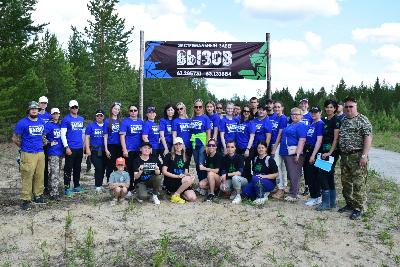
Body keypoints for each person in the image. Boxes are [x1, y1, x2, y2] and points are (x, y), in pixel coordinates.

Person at [338, 97, 372, 220]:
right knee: (346, 182)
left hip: (357, 156)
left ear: (356, 106)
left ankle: (360, 208)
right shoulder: (344, 120)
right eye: (346, 106)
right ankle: (350, 204)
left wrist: (364, 155)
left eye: (351, 106)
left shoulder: (362, 120)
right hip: (345, 157)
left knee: (359, 183)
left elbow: (368, 138)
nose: (348, 109)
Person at [12, 101, 46, 210]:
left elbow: (43, 136)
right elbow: (14, 138)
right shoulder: (22, 123)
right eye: (32, 109)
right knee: (27, 175)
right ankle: (26, 199)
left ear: (38, 110)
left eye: (36, 109)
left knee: (39, 175)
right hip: (28, 153)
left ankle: (38, 195)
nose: (34, 110)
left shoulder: (41, 121)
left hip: (40, 152)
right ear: (29, 110)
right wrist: (23, 147)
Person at [315, 99, 340, 211]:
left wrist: (330, 152)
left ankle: (325, 203)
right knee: (329, 175)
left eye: (331, 107)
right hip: (323, 151)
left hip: (331, 152)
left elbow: (336, 138)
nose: (329, 109)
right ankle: (332, 202)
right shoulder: (325, 120)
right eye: (327, 107)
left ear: (335, 108)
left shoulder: (336, 120)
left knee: (322, 174)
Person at [279, 107, 307, 202]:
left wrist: (298, 154)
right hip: (287, 153)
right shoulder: (290, 125)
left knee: (294, 174)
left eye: (297, 114)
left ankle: (293, 194)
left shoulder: (301, 126)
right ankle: (294, 191)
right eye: (292, 114)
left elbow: (302, 140)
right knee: (291, 174)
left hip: (294, 153)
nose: (294, 116)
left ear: (301, 116)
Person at [61, 100, 85, 197]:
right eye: (72, 107)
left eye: (76, 107)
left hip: (79, 147)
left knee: (77, 168)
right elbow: (63, 134)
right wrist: (66, 147)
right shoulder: (66, 119)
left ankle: (77, 185)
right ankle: (67, 187)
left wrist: (83, 146)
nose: (74, 108)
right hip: (70, 148)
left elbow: (83, 133)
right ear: (69, 108)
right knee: (68, 168)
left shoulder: (81, 119)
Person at [162, 137, 197, 204]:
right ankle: (176, 195)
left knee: (192, 198)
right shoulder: (168, 155)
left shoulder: (186, 157)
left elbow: (185, 172)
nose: (178, 146)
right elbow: (164, 171)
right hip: (171, 180)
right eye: (176, 144)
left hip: (182, 180)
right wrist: (177, 176)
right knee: (188, 179)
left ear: (183, 145)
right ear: (173, 146)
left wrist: (189, 175)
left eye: (180, 144)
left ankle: (177, 193)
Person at [303, 107, 324, 206]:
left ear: (320, 113)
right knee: (308, 174)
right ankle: (313, 195)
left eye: (316, 112)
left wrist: (313, 155)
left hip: (314, 151)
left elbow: (319, 140)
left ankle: (316, 196)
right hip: (307, 150)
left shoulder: (320, 124)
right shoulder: (312, 123)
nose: (313, 114)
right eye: (312, 112)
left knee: (313, 175)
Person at [120, 104, 143, 192]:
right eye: (131, 110)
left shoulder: (141, 122)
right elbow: (122, 137)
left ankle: (138, 187)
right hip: (129, 149)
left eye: (135, 110)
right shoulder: (125, 122)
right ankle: (129, 188)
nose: (133, 112)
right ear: (129, 112)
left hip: (139, 150)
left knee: (138, 169)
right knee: (129, 169)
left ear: (137, 111)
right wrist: (124, 149)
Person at [270, 101, 288, 199]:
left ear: (282, 108)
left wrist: (274, 147)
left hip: (279, 144)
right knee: (281, 166)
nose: (276, 109)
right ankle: (283, 186)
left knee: (277, 166)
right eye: (275, 107)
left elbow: (280, 134)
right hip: (275, 144)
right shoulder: (276, 118)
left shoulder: (283, 118)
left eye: (278, 107)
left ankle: (281, 188)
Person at [44, 107, 63, 201]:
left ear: (59, 114)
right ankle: (54, 193)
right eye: (54, 113)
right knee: (55, 172)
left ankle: (49, 188)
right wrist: (48, 142)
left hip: (60, 151)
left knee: (55, 172)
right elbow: (42, 136)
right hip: (52, 152)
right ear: (51, 115)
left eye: (57, 113)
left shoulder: (60, 125)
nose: (56, 115)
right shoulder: (48, 125)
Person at [85, 109, 106, 192]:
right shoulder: (91, 125)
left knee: (103, 168)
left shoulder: (106, 125)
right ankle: (97, 185)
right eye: (98, 115)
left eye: (101, 115)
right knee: (98, 167)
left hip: (104, 150)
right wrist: (87, 149)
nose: (99, 117)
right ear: (95, 116)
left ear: (103, 117)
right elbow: (87, 137)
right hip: (94, 149)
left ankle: (100, 184)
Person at [190, 99, 211, 182]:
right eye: (196, 107)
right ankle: (200, 182)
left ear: (202, 108)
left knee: (201, 163)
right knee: (196, 164)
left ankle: (204, 182)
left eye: (200, 107)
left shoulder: (205, 118)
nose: (198, 108)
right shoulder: (192, 118)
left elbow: (208, 132)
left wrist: (207, 144)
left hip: (202, 143)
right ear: (194, 108)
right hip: (194, 143)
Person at [104, 102, 122, 182]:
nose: (116, 111)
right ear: (111, 109)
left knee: (119, 164)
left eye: (118, 109)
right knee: (110, 164)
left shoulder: (121, 121)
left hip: (120, 145)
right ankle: (109, 181)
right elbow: (105, 136)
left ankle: (117, 180)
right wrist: (106, 149)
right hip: (111, 145)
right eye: (115, 108)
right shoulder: (107, 121)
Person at [235, 106, 255, 179]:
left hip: (246, 148)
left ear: (250, 113)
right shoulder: (239, 121)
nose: (246, 113)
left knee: (247, 167)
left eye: (248, 111)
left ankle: (248, 184)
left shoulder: (251, 123)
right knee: (239, 167)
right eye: (244, 111)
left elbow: (252, 137)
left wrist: (248, 149)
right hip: (238, 148)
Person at [38, 96, 51, 194]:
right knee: (37, 167)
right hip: (37, 144)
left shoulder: (48, 116)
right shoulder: (34, 114)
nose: (43, 105)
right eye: (42, 103)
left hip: (46, 145)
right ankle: (37, 187)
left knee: (45, 167)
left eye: (45, 103)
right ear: (39, 103)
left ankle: (45, 186)